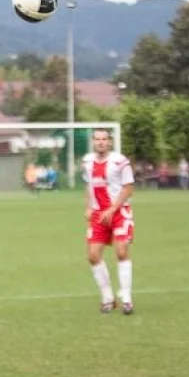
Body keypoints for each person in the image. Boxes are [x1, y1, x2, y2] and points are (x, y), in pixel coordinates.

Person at [84, 129, 135, 315]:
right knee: (93, 255)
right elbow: (88, 186)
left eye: (104, 139)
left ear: (110, 142)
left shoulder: (120, 161)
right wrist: (89, 207)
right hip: (98, 214)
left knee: (122, 252)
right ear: (93, 142)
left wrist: (112, 209)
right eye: (97, 139)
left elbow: (128, 188)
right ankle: (108, 298)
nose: (101, 142)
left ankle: (127, 299)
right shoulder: (88, 162)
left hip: (120, 212)